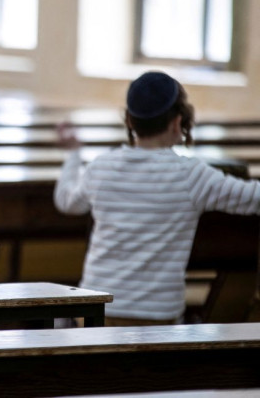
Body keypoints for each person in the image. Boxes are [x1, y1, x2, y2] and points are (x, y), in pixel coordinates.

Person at [54, 70, 260, 326]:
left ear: (129, 121)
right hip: (157, 320)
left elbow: (66, 201)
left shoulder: (101, 167)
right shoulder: (192, 176)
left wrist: (73, 153)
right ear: (177, 122)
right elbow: (254, 198)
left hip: (95, 313)